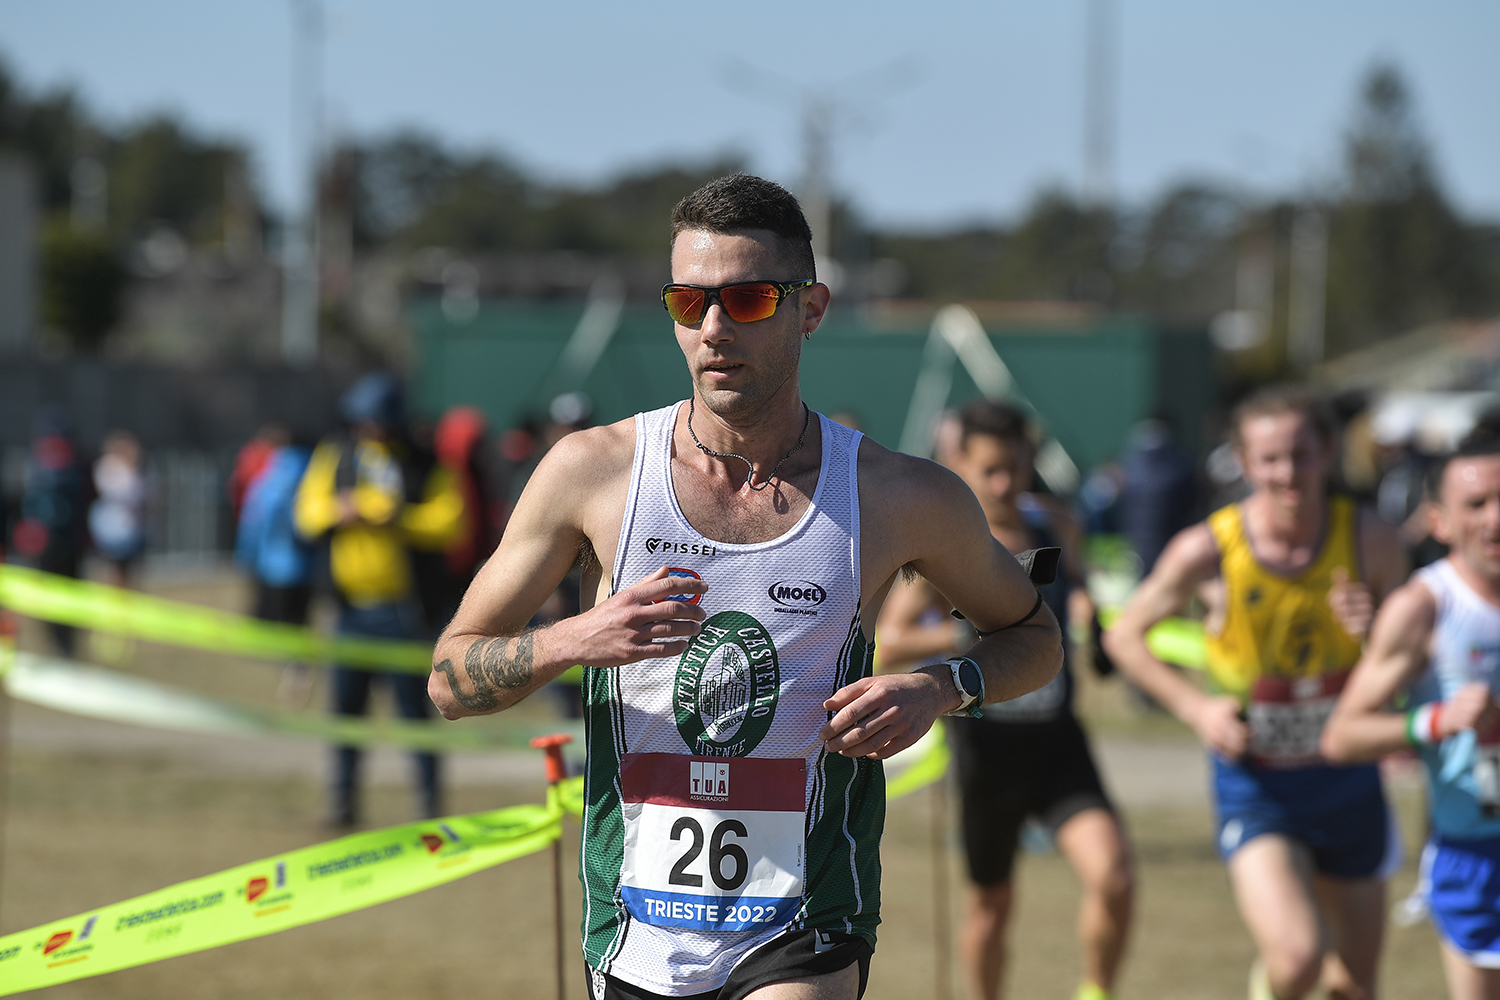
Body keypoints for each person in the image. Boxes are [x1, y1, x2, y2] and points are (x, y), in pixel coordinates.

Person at [427, 173, 1062, 1000]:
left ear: (811, 309)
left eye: (749, 299)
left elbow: (1035, 636)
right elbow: (449, 681)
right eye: (689, 304)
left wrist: (941, 686)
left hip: (806, 917)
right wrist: (573, 640)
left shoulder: (900, 495)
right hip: (634, 921)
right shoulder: (594, 473)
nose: (715, 329)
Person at [1103, 386, 1408, 1000]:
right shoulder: (1209, 549)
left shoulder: (1370, 539)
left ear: (1327, 451)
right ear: (1244, 463)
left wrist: (1375, 630)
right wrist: (1196, 707)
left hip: (1348, 782)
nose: (1287, 473)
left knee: (1355, 985)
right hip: (1258, 786)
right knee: (1297, 960)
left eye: (1300, 454)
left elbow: (1411, 658)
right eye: (1270, 459)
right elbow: (1125, 637)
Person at [877, 399, 1132, 1000]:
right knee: (992, 908)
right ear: (962, 463)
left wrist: (1091, 621)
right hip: (987, 749)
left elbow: (1080, 586)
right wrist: (965, 634)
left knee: (1114, 876)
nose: (1003, 483)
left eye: (1015, 468)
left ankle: (1096, 992)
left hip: (1057, 742)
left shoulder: (1056, 524)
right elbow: (891, 639)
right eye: (989, 469)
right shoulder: (953, 543)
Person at [1322, 430, 1500, 1000]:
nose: (1495, 519)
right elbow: (1342, 735)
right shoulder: (1425, 608)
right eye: (1476, 504)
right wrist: (1434, 721)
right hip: (1478, 851)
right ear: (1439, 521)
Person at [296, 373, 464, 827]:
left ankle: (428, 806)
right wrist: (341, 509)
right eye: (362, 423)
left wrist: (398, 520)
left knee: (416, 715)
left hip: (404, 613)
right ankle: (342, 803)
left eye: (378, 424)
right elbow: (306, 513)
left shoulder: (425, 461)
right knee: (345, 715)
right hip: (349, 611)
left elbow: (451, 523)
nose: (369, 432)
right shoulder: (336, 456)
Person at [235, 434, 317, 705]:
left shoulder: (267, 480)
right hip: (305, 568)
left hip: (271, 566)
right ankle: (298, 673)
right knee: (299, 624)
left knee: (276, 624)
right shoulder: (313, 477)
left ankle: (288, 674)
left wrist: (247, 556)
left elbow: (252, 523)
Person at [11, 407, 90, 656]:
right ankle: (61, 645)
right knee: (58, 596)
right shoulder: (62, 468)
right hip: (56, 546)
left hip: (59, 545)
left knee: (60, 597)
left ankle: (62, 645)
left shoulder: (40, 466)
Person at [89, 430, 148, 588]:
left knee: (130, 567)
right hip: (115, 526)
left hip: (131, 525)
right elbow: (124, 492)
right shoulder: (109, 466)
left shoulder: (135, 468)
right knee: (116, 565)